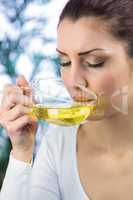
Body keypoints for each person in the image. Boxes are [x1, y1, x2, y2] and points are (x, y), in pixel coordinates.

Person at [1, 0, 133, 199]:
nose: (72, 81)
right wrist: (22, 151)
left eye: (93, 62)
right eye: (64, 62)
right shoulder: (58, 144)